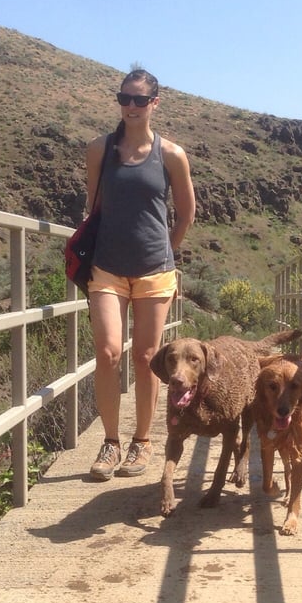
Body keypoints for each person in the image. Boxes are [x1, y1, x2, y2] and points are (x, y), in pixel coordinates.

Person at [84, 69, 196, 480]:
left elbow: (186, 214)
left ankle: (142, 441)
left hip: (154, 270)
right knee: (109, 352)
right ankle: (111, 442)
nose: (130, 106)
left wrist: (166, 251)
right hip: (107, 267)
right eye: (124, 98)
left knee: (149, 359)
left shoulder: (171, 155)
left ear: (154, 103)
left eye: (138, 100)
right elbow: (92, 208)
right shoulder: (99, 149)